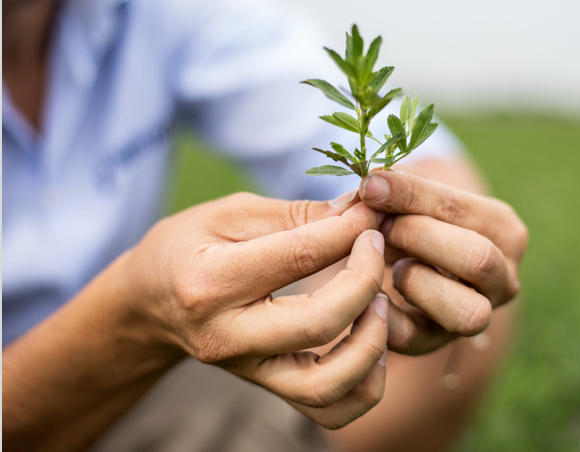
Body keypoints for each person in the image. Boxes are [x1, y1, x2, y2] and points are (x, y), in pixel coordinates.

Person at [2, 0, 528, 451]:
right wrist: (134, 314)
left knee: (444, 304)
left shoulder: (153, 14)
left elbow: (313, 105)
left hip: (137, 398)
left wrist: (441, 217)